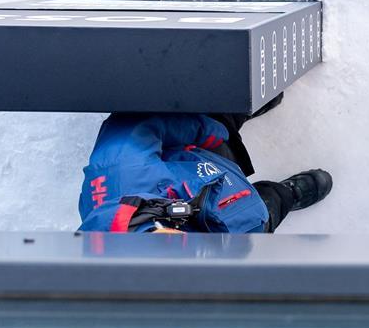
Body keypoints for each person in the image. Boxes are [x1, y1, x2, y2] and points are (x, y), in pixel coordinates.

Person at [78, 95, 332, 233]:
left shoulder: (122, 174)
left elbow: (134, 129)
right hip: (242, 220)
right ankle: (284, 194)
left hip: (202, 158)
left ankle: (234, 110)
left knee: (218, 122)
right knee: (269, 210)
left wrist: (207, 130)